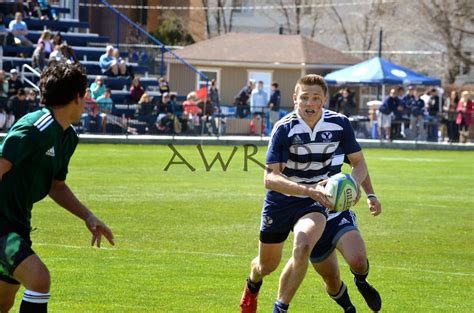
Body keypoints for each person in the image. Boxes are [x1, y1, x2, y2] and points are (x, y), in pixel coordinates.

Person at [240, 74, 368, 313]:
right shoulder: (284, 128)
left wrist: (353, 183)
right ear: (295, 99)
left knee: (302, 246)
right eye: (305, 98)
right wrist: (306, 189)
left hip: (314, 202)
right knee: (266, 265)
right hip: (281, 201)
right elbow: (270, 178)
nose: (310, 103)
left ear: (324, 100)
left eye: (316, 98)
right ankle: (252, 284)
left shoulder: (340, 124)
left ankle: (280, 309)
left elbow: (359, 163)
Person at [0, 62, 114, 313]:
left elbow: (57, 186)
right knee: (39, 280)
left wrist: (88, 216)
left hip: (18, 224)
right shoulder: (34, 127)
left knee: (3, 303)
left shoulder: (67, 137)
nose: (87, 102)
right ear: (77, 97)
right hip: (2, 225)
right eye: (86, 95)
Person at [309, 148, 382, 313]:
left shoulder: (338, 134)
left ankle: (361, 282)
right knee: (332, 280)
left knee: (358, 260)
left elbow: (359, 163)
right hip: (310, 221)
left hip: (338, 215)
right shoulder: (296, 140)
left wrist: (370, 195)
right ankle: (348, 308)